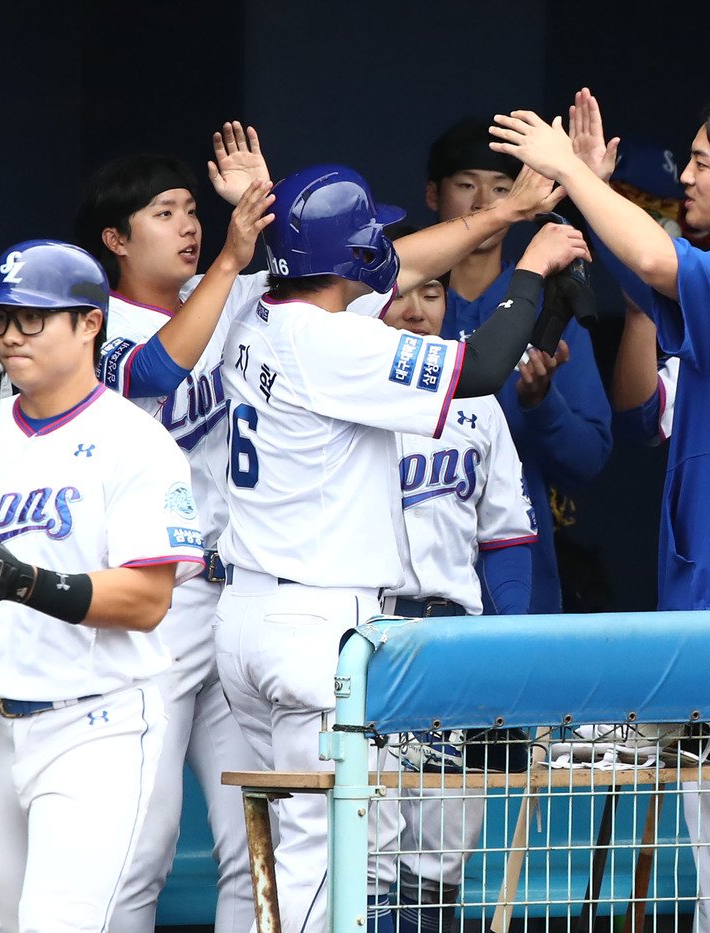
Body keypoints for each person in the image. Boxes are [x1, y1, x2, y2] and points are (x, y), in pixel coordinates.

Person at [493, 89, 710, 931]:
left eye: (699, 163)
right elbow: (656, 281)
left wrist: (573, 173)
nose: (681, 177)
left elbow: (657, 266)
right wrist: (585, 185)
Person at [213, 161, 586, 933]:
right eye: (371, 238)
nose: (387, 250)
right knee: (334, 860)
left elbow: (405, 261)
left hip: (244, 620)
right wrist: (526, 268)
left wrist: (502, 212)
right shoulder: (337, 343)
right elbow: (481, 367)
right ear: (346, 259)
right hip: (317, 630)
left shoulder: (250, 302)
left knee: (272, 862)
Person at [0, 239, 204, 931]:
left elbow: (148, 600)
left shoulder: (135, 440)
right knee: (14, 919)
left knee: (59, 921)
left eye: (34, 319)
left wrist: (22, 580)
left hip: (96, 723)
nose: (10, 335)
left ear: (90, 323)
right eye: (1, 318)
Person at [74, 130, 274, 933]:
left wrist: (265, 203)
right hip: (154, 603)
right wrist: (226, 260)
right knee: (141, 842)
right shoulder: (91, 322)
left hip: (234, 598)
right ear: (117, 239)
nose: (188, 225)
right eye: (165, 213)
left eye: (193, 210)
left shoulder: (228, 292)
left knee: (255, 838)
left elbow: (351, 272)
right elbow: (154, 373)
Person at [377, 231, 538, 933]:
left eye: (432, 291)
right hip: (366, 632)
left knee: (439, 864)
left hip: (451, 639)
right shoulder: (339, 392)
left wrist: (504, 655)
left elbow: (505, 535)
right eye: (400, 292)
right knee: (366, 852)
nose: (416, 310)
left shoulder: (477, 405)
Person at [425, 118, 611, 613]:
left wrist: (542, 402)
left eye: (503, 187)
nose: (484, 202)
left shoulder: (548, 305)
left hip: (520, 585)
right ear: (432, 194)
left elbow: (588, 461)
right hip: (403, 588)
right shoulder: (402, 305)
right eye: (466, 185)